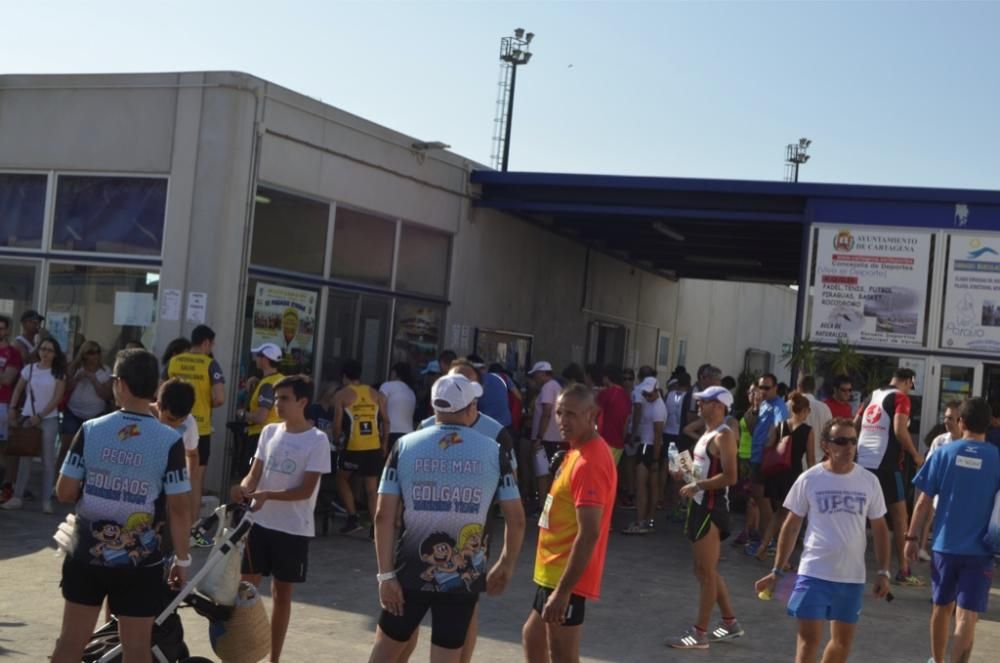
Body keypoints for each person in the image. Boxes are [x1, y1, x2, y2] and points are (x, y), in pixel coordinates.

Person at [369, 374, 524, 663]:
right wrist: (506, 563)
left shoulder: (404, 446)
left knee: (385, 652)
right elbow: (516, 519)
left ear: (433, 408)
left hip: (407, 571)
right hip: (464, 577)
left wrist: (385, 575)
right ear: (471, 409)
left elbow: (382, 516)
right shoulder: (495, 451)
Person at [50, 348, 191, 663]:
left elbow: (64, 490)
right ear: (154, 387)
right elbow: (180, 508)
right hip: (141, 563)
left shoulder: (90, 429)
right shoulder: (169, 440)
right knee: (136, 650)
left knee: (70, 644)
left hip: (85, 553)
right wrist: (183, 559)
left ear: (121, 384)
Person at [755, 417, 891, 663]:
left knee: (841, 644)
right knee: (809, 641)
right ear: (826, 445)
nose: (849, 447)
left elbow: (880, 529)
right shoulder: (810, 478)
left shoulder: (870, 482)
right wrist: (776, 570)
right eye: (841, 441)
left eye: (852, 440)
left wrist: (883, 571)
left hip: (851, 578)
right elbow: (791, 525)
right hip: (814, 573)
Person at [233, 374, 331, 663]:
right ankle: (243, 655)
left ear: (303, 401)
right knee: (245, 593)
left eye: (284, 399)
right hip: (258, 524)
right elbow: (255, 474)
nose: (278, 404)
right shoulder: (269, 432)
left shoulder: (317, 440)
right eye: (276, 399)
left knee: (282, 595)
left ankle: (274, 658)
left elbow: (305, 490)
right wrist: (244, 488)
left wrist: (267, 495)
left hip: (292, 530)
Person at [522, 384, 617, 663]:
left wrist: (563, 592)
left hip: (567, 578)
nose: (563, 420)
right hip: (553, 573)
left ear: (592, 415)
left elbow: (589, 534)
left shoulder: (589, 462)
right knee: (533, 637)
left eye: (572, 414)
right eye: (560, 412)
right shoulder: (575, 451)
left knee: (562, 655)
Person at [905, 397, 1000, 663]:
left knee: (941, 607)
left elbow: (923, 501)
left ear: (961, 422)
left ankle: (936, 659)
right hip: (981, 550)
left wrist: (912, 537)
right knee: (968, 614)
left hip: (944, 546)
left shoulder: (944, 453)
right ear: (989, 426)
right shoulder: (997, 458)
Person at [667, 385, 741, 649]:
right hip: (699, 506)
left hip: (711, 508)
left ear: (720, 405)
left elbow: (731, 477)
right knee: (703, 570)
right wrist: (681, 470)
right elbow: (701, 471)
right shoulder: (707, 434)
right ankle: (730, 623)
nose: (699, 405)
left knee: (706, 573)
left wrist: (697, 486)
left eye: (705, 401)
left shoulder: (724, 436)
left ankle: (700, 634)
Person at [856, 367, 924, 585]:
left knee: (861, 514)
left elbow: (855, 423)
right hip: (887, 464)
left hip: (863, 462)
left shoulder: (872, 395)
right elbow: (899, 430)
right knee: (899, 517)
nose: (909, 390)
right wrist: (915, 455)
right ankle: (903, 571)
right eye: (910, 385)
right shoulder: (900, 398)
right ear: (907, 381)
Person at [165, 324, 225, 544]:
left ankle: (165, 524)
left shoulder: (174, 361)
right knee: (195, 480)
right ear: (207, 343)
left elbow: (160, 391)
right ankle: (190, 531)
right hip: (200, 429)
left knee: (166, 475)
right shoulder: (211, 364)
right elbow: (219, 398)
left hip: (171, 426)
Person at [4, 337, 67, 513]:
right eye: (43, 349)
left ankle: (46, 500)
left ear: (55, 354)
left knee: (48, 460)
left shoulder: (58, 373)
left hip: (48, 418)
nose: (45, 353)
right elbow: (18, 389)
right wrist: (13, 408)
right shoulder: (29, 369)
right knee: (25, 457)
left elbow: (57, 398)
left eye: (50, 350)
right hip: (27, 416)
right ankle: (17, 496)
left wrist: (40, 415)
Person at [751, 391, 815, 562]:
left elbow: (768, 445)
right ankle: (782, 559)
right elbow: (810, 459)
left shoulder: (780, 425)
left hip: (777, 474)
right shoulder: (808, 430)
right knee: (789, 517)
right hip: (793, 476)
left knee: (779, 512)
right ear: (804, 411)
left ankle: (763, 547)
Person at [333, 358, 390, 534]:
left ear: (344, 376)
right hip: (373, 445)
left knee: (341, 478)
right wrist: (384, 443)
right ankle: (375, 529)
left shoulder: (342, 395)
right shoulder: (377, 394)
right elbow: (386, 421)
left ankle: (352, 517)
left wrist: (336, 440)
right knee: (371, 488)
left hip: (353, 446)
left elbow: (337, 424)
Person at [743, 373, 788, 557]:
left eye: (767, 388)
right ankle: (765, 540)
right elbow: (754, 426)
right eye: (761, 387)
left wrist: (769, 444)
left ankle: (768, 542)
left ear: (775, 388)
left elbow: (781, 427)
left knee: (763, 501)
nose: (763, 391)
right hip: (755, 457)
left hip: (763, 459)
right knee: (759, 499)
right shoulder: (763, 404)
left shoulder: (778, 405)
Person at [918, 402, 962, 560]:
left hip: (959, 491)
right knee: (929, 514)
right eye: (945, 417)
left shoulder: (969, 442)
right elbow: (930, 465)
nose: (946, 421)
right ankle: (922, 548)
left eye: (950, 418)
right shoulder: (940, 440)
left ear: (960, 420)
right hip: (939, 486)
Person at [59, 341, 113, 468]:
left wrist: (94, 380)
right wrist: (77, 378)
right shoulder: (74, 368)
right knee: (66, 448)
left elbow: (107, 395)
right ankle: (57, 481)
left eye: (98, 351)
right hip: (73, 412)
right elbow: (65, 389)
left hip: (95, 414)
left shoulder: (105, 370)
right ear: (84, 355)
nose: (95, 355)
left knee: (91, 451)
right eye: (91, 352)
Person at [623, 376, 665, 535]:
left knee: (642, 485)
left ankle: (643, 521)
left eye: (649, 394)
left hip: (651, 447)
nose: (647, 396)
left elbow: (658, 434)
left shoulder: (658, 408)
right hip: (646, 445)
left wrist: (655, 459)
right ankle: (647, 520)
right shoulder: (651, 403)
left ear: (656, 391)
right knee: (648, 485)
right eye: (645, 394)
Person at [156, 378, 201, 523]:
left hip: (170, 493)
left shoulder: (190, 423)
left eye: (181, 420)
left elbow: (192, 454)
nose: (174, 425)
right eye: (170, 419)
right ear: (158, 405)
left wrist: (185, 487)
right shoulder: (143, 417)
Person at [236, 343, 284, 471]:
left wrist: (242, 414)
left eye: (258, 355)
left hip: (261, 437)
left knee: (253, 475)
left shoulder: (267, 384)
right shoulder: (281, 380)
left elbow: (260, 417)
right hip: (278, 435)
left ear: (265, 359)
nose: (255, 358)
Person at [529, 361, 562, 507]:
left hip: (547, 438)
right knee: (551, 473)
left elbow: (547, 412)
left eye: (535, 375)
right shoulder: (556, 386)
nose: (534, 378)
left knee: (543, 473)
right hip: (554, 437)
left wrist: (539, 437)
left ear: (543, 374)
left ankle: (543, 506)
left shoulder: (548, 387)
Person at [0, 315, 25, 502]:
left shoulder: (13, 353)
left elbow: (6, 380)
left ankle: (5, 488)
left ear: (7, 330)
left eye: (2, 328)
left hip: (3, 404)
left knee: (3, 450)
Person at [595, 365, 630, 466]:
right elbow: (626, 423)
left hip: (604, 441)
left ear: (607, 377)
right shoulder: (626, 396)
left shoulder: (605, 394)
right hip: (618, 444)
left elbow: (597, 417)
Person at [380, 361, 417, 449]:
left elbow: (380, 408)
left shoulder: (387, 386)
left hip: (390, 432)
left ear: (395, 373)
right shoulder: (411, 391)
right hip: (409, 434)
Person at [796, 375, 831, 464]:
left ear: (798, 387)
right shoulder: (824, 408)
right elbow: (829, 433)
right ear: (814, 388)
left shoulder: (789, 405)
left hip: (794, 461)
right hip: (818, 459)